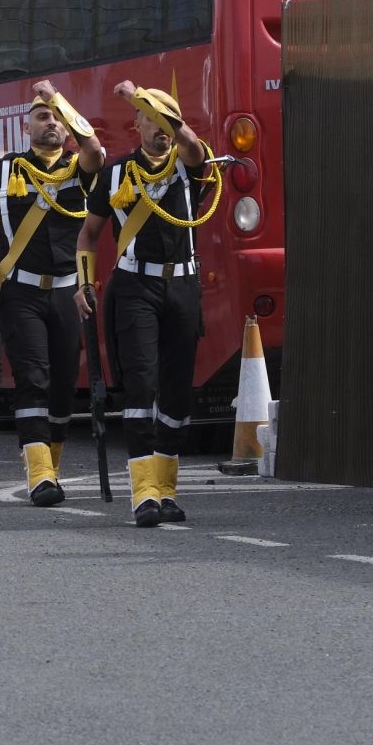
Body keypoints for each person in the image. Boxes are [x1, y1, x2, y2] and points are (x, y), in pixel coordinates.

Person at [76, 81, 215, 526]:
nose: (160, 127)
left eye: (166, 118)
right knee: (140, 385)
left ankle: (167, 489)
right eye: (149, 118)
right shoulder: (116, 175)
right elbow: (88, 235)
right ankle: (143, 493)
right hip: (135, 286)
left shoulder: (189, 164)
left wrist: (154, 106)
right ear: (135, 123)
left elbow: (191, 144)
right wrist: (82, 283)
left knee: (176, 392)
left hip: (182, 287)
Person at [0, 82, 105, 506]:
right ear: (26, 126)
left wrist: (59, 98)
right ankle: (39, 471)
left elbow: (97, 151)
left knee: (65, 384)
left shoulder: (79, 168)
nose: (52, 122)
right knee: (33, 377)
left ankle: (53, 463)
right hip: (21, 292)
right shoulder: (5, 171)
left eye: (57, 118)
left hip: (67, 293)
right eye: (43, 116)